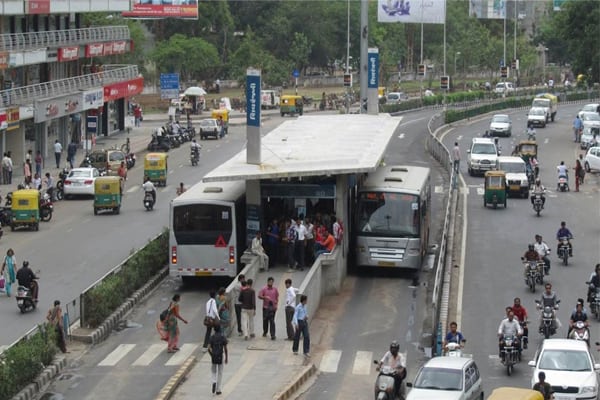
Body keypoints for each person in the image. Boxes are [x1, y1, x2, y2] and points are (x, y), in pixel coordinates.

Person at [208, 324, 228, 395]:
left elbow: (209, 348)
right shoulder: (223, 337)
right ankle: (218, 389)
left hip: (214, 357)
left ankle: (214, 381)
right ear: (220, 329)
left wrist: (212, 355)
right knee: (220, 373)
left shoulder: (212, 337)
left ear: (214, 329)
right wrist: (226, 358)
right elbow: (225, 348)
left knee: (213, 371)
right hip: (220, 356)